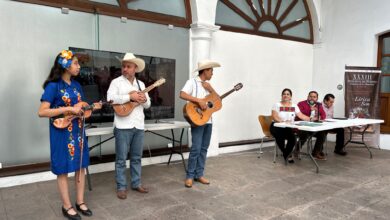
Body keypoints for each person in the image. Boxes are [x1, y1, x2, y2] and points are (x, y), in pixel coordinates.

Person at [38, 50, 102, 220]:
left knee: (81, 166)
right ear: (65, 65)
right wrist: (67, 108)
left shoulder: (76, 85)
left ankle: (80, 202)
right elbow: (42, 112)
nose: (79, 66)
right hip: (61, 133)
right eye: (75, 63)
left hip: (78, 131)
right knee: (63, 169)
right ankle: (66, 206)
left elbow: (80, 108)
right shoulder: (53, 86)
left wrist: (90, 108)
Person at [107, 52, 151, 199]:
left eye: (128, 66)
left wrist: (144, 99)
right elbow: (110, 99)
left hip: (138, 125)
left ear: (135, 68)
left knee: (137, 157)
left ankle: (136, 183)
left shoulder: (141, 84)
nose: (125, 69)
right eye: (123, 66)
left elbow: (148, 105)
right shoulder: (116, 82)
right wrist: (129, 97)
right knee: (121, 159)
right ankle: (121, 187)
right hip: (122, 126)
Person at [180, 60, 221, 188]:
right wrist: (198, 100)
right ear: (205, 70)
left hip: (208, 120)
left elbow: (218, 101)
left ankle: (199, 174)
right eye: (211, 71)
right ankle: (190, 176)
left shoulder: (209, 86)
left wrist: (211, 89)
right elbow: (182, 94)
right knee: (196, 148)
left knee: (204, 148)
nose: (212, 74)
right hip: (197, 120)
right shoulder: (192, 82)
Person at [270, 88, 310, 163]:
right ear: (282, 96)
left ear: (290, 96)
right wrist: (283, 121)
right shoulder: (277, 105)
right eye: (284, 94)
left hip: (287, 127)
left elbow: (301, 115)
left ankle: (286, 153)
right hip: (276, 126)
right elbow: (274, 116)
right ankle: (287, 154)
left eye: (288, 94)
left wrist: (310, 119)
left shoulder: (294, 106)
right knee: (280, 137)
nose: (286, 95)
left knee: (293, 139)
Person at [297, 91, 327, 160]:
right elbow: (299, 115)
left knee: (322, 132)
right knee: (305, 132)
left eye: (314, 97)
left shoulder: (319, 105)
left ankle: (316, 152)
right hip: (302, 126)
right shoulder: (301, 104)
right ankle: (297, 149)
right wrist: (310, 110)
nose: (312, 98)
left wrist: (318, 116)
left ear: (317, 98)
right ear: (308, 97)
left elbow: (323, 115)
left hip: (313, 126)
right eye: (310, 96)